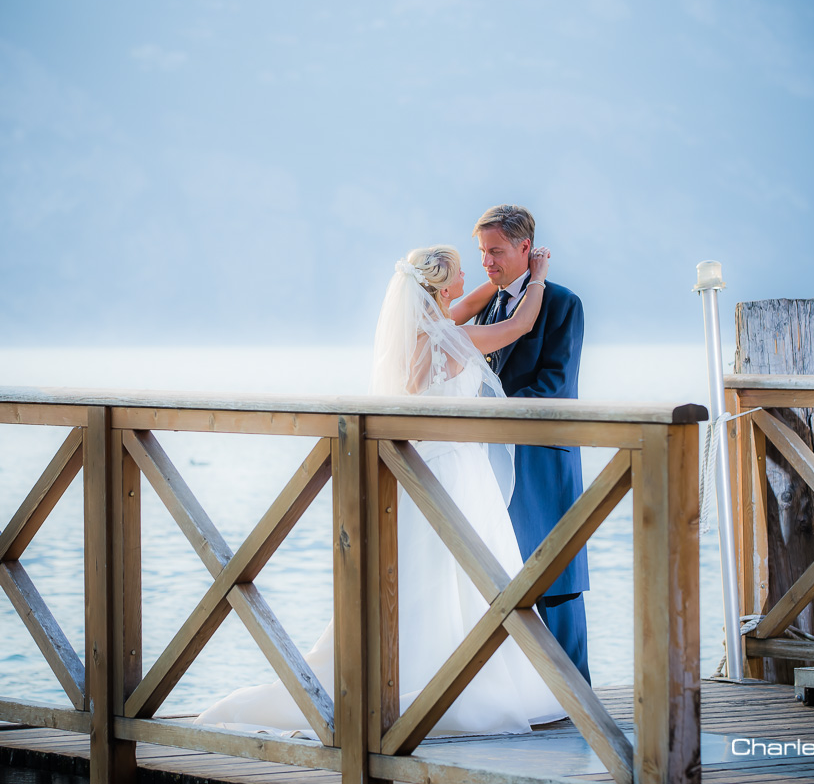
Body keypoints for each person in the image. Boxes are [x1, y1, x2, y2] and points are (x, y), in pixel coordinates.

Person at [194, 244, 564, 737]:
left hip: (417, 468)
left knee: (420, 571)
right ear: (442, 287)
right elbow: (517, 327)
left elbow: (468, 305)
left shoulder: (425, 335)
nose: (470, 278)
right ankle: (452, 682)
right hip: (453, 469)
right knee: (467, 570)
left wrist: (497, 286)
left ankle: (396, 673)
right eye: (461, 273)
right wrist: (535, 276)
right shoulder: (452, 341)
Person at [472, 204, 590, 683]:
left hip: (541, 463)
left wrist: (485, 414)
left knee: (555, 581)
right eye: (482, 252)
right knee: (500, 576)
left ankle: (574, 697)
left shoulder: (563, 304)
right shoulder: (488, 304)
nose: (487, 262)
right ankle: (520, 692)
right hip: (490, 464)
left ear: (526, 248)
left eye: (495, 251)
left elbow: (555, 386)